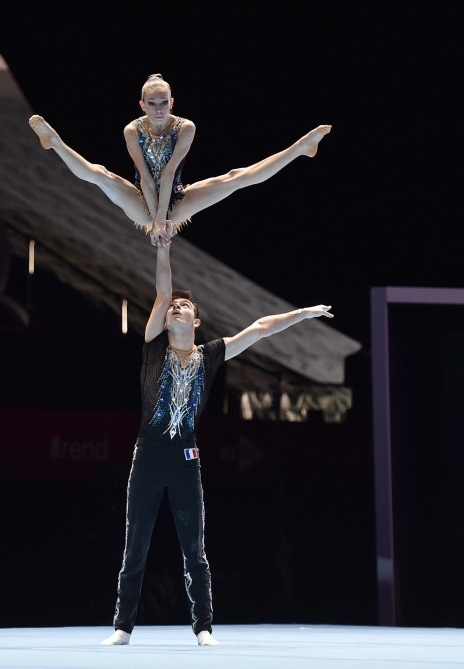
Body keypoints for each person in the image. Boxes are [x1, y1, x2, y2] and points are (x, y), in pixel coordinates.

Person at [101, 223, 334, 646]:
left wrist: (302, 314)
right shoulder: (154, 346)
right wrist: (163, 248)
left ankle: (204, 627)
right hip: (149, 455)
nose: (176, 308)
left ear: (196, 320)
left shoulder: (211, 356)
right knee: (136, 545)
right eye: (174, 307)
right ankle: (122, 626)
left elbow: (261, 327)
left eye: (183, 306)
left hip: (185, 458)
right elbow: (161, 291)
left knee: (195, 547)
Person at [28, 73, 332, 241]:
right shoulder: (131, 130)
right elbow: (146, 177)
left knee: (235, 178)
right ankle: (54, 141)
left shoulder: (185, 127)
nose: (159, 108)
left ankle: (300, 148)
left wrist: (164, 221)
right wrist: (156, 222)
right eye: (152, 103)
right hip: (140, 200)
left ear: (172, 102)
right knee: (101, 174)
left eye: (163, 102)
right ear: (142, 105)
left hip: (177, 200)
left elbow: (170, 171)